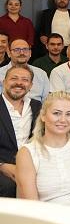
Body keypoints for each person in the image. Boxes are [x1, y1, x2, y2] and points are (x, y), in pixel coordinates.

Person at [15, 91, 70, 210]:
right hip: (46, 219)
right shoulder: (27, 153)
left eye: (69, 114)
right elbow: (32, 205)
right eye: (56, 113)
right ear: (43, 116)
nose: (63, 120)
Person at [0, 66, 42, 197]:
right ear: (4, 82)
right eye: (14, 78)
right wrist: (1, 165)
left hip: (31, 164)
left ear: (30, 86)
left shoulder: (37, 106)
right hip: (3, 164)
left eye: (25, 80)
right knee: (9, 186)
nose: (19, 83)